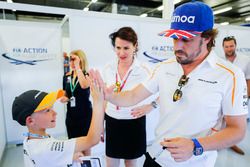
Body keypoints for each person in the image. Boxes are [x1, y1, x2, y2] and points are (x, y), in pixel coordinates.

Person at [90, 1, 248, 167]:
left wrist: (196, 145)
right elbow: (132, 96)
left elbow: (237, 130)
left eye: (186, 39)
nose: (177, 46)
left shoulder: (230, 76)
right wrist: (108, 95)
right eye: (174, 38)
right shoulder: (164, 67)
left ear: (207, 38)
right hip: (156, 158)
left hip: (195, 163)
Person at [11, 81, 104, 166]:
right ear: (30, 121)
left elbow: (47, 159)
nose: (55, 113)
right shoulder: (46, 148)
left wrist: (67, 157)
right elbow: (92, 140)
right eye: (47, 110)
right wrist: (98, 102)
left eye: (52, 107)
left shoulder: (29, 138)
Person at [102, 27, 156, 167]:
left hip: (133, 122)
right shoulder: (108, 67)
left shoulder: (144, 70)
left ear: (135, 46)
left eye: (126, 48)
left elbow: (165, 90)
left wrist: (152, 106)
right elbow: (105, 98)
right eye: (118, 47)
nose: (121, 53)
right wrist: (101, 123)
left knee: (130, 163)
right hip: (112, 120)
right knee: (111, 162)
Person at [61, 50, 93, 156]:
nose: (72, 62)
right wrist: (64, 98)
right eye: (70, 60)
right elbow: (66, 93)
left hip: (85, 116)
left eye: (74, 60)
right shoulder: (66, 77)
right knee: (74, 148)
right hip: (71, 117)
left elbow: (84, 85)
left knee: (86, 148)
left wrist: (78, 67)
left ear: (81, 60)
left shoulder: (87, 75)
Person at [222, 36, 250, 155]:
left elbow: (248, 79)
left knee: (237, 123)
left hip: (240, 96)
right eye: (226, 46)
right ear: (223, 47)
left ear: (235, 46)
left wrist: (246, 96)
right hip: (225, 95)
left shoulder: (245, 60)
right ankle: (223, 142)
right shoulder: (220, 61)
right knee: (223, 120)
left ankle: (232, 143)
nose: (229, 49)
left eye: (231, 46)